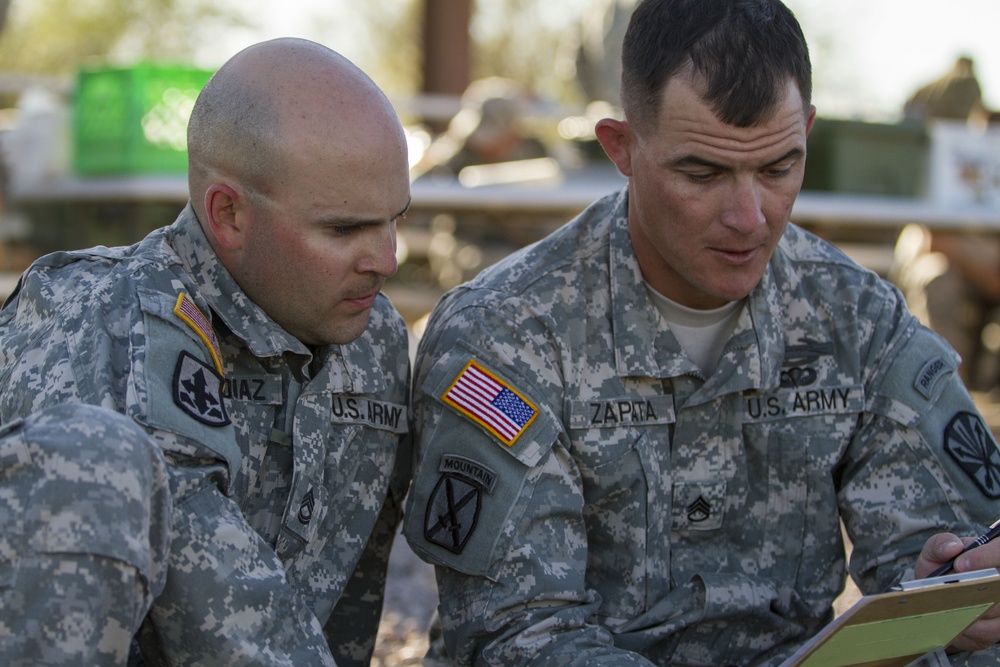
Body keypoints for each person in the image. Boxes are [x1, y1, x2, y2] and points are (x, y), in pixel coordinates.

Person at [401, 1, 1000, 664]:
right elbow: (519, 635)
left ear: (806, 131)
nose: (749, 217)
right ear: (621, 147)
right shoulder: (505, 336)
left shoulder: (854, 315)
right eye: (702, 173)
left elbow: (931, 557)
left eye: (778, 168)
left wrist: (951, 577)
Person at [0, 37, 412, 666]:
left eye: (396, 221)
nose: (385, 261)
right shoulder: (104, 322)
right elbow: (225, 621)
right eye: (344, 229)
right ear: (229, 215)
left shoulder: (370, 337)